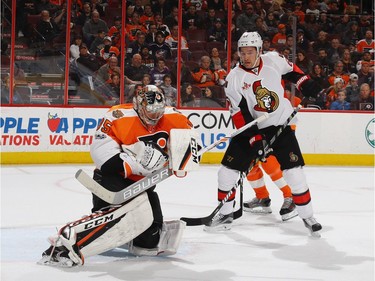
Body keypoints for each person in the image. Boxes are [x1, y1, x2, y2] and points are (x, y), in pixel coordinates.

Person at [39, 85, 193, 267]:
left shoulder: (174, 117)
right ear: (138, 105)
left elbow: (191, 143)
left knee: (150, 242)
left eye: (157, 112)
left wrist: (181, 158)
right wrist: (137, 163)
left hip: (143, 187)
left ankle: (107, 226)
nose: (154, 117)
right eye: (149, 112)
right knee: (125, 219)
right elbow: (103, 158)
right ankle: (65, 244)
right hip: (111, 182)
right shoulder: (117, 117)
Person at [204, 32, 323, 235]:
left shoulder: (273, 60)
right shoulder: (234, 78)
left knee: (294, 173)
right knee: (226, 173)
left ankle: (307, 216)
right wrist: (255, 139)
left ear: (259, 51)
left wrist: (305, 83)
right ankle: (225, 214)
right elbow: (240, 115)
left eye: (250, 52)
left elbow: (292, 72)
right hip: (253, 127)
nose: (246, 56)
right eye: (242, 52)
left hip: (279, 124)